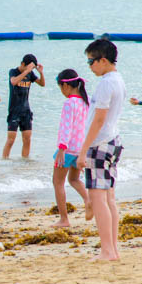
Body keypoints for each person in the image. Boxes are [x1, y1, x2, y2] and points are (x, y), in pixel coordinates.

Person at [76, 39, 126, 262]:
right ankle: (112, 249)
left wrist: (83, 149)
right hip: (112, 140)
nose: (89, 66)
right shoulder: (118, 79)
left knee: (99, 199)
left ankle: (107, 251)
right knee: (109, 199)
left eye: (91, 61)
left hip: (101, 144)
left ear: (103, 60)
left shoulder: (106, 82)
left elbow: (98, 119)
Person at [53, 69, 90, 228]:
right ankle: (88, 200)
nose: (61, 91)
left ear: (66, 86)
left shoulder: (69, 103)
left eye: (60, 87)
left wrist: (61, 148)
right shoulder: (84, 102)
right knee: (74, 179)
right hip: (80, 149)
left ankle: (64, 219)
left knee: (57, 182)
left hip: (67, 150)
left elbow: (65, 127)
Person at [3, 54, 45, 159]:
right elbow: (13, 81)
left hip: (26, 110)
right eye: (29, 67)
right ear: (22, 64)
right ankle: (4, 161)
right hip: (14, 111)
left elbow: (42, 84)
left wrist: (40, 73)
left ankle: (24, 163)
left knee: (27, 139)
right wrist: (26, 71)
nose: (30, 70)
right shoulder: (13, 72)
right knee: (11, 140)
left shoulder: (30, 74)